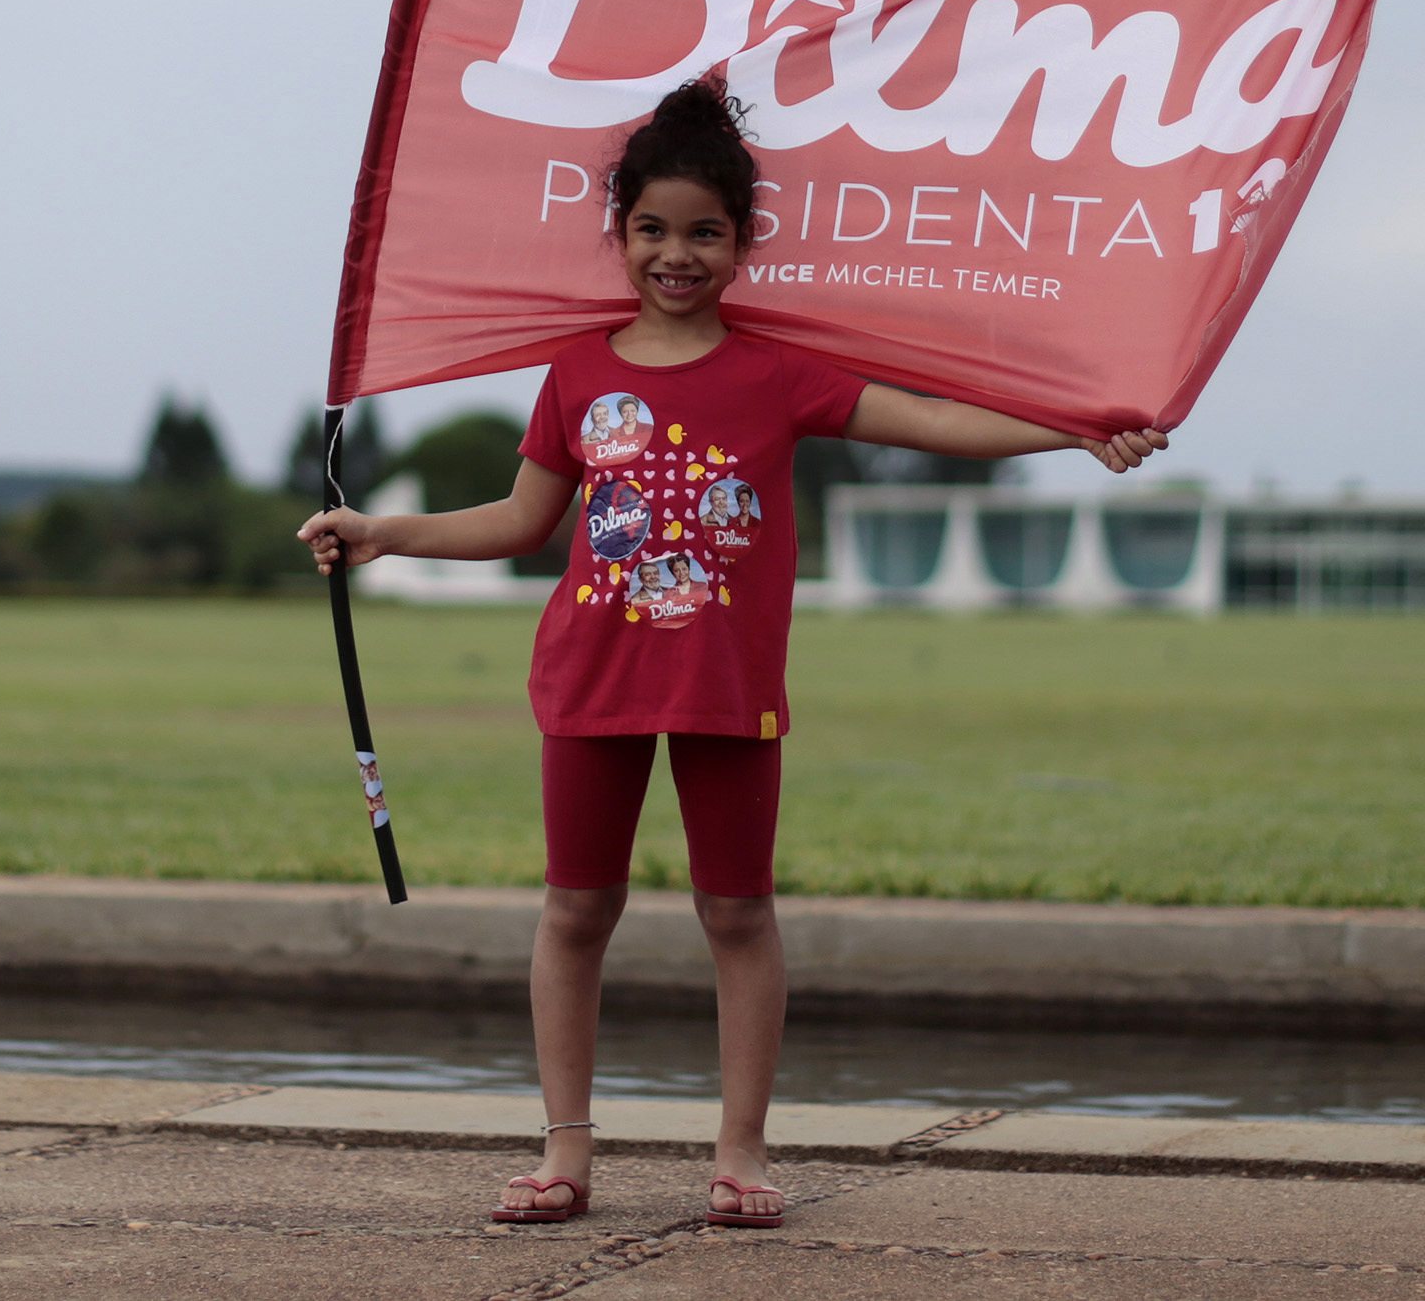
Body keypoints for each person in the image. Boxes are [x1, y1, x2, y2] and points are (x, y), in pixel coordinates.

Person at [302, 79, 1167, 1233]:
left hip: (726, 686)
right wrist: (382, 531)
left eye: (704, 231)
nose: (675, 253)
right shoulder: (575, 372)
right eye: (652, 228)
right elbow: (519, 522)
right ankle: (565, 1152)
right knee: (573, 911)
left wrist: (1077, 423)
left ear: (743, 243)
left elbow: (937, 420)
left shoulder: (778, 372)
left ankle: (741, 1149)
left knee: (738, 914)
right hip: (590, 681)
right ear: (616, 233)